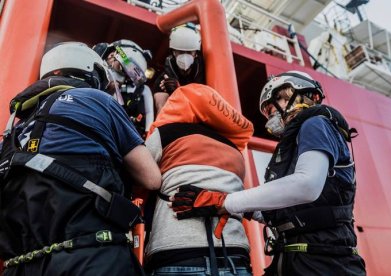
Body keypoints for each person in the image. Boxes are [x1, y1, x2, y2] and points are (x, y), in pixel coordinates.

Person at [170, 71, 366, 275]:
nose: (271, 111)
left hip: (324, 263)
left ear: (305, 95)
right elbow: (282, 211)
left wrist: (226, 201)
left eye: (278, 99)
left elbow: (307, 186)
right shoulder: (301, 138)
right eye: (268, 108)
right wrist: (222, 204)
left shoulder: (315, 124)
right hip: (297, 259)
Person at [0, 42, 161, 275]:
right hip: (91, 258)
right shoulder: (99, 100)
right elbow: (151, 178)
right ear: (92, 72)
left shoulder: (15, 128)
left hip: (19, 266)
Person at [144, 83, 254, 276]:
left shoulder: (166, 134)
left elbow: (140, 180)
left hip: (177, 250)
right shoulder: (236, 152)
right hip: (235, 253)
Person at [93, 39, 154, 138]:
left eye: (128, 74)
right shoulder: (94, 66)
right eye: (122, 68)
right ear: (112, 55)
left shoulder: (130, 87)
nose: (124, 76)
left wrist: (148, 133)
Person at [153, 23, 205, 114]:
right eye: (181, 52)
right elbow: (161, 109)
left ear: (196, 53)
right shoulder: (162, 81)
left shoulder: (205, 75)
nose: (185, 57)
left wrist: (178, 91)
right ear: (173, 52)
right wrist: (171, 93)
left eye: (189, 52)